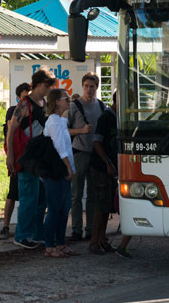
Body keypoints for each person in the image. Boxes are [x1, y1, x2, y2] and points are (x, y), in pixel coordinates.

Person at [7, 69, 56, 249]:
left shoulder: (43, 102)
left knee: (40, 198)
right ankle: (22, 235)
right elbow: (11, 130)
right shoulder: (24, 104)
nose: (50, 88)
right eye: (47, 85)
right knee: (29, 198)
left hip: (40, 157)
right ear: (38, 84)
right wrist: (10, 156)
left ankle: (36, 234)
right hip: (27, 158)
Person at [66, 72, 104, 242]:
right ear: (82, 86)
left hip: (95, 154)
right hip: (79, 152)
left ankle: (90, 230)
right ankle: (76, 230)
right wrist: (81, 130)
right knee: (76, 194)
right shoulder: (74, 106)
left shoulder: (101, 106)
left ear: (97, 88)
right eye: (86, 86)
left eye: (92, 86)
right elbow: (64, 130)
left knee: (93, 195)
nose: (89, 89)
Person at [41, 88, 77, 257]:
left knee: (64, 208)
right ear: (57, 102)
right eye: (66, 98)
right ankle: (49, 246)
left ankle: (61, 243)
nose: (69, 101)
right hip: (56, 170)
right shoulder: (53, 121)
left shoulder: (61, 121)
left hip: (64, 168)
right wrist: (68, 167)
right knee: (54, 208)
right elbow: (59, 147)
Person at [0, 82, 32, 240]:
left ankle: (26, 228)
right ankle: (6, 226)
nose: (26, 101)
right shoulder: (13, 111)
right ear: (18, 97)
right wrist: (10, 155)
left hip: (30, 160)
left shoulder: (34, 111)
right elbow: (9, 133)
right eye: (24, 97)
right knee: (12, 194)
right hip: (17, 159)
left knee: (29, 196)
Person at [88, 91, 119, 255]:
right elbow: (97, 141)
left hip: (112, 166)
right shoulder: (106, 117)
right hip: (101, 166)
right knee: (100, 205)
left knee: (107, 205)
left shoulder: (119, 117)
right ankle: (94, 241)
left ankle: (102, 239)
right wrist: (107, 162)